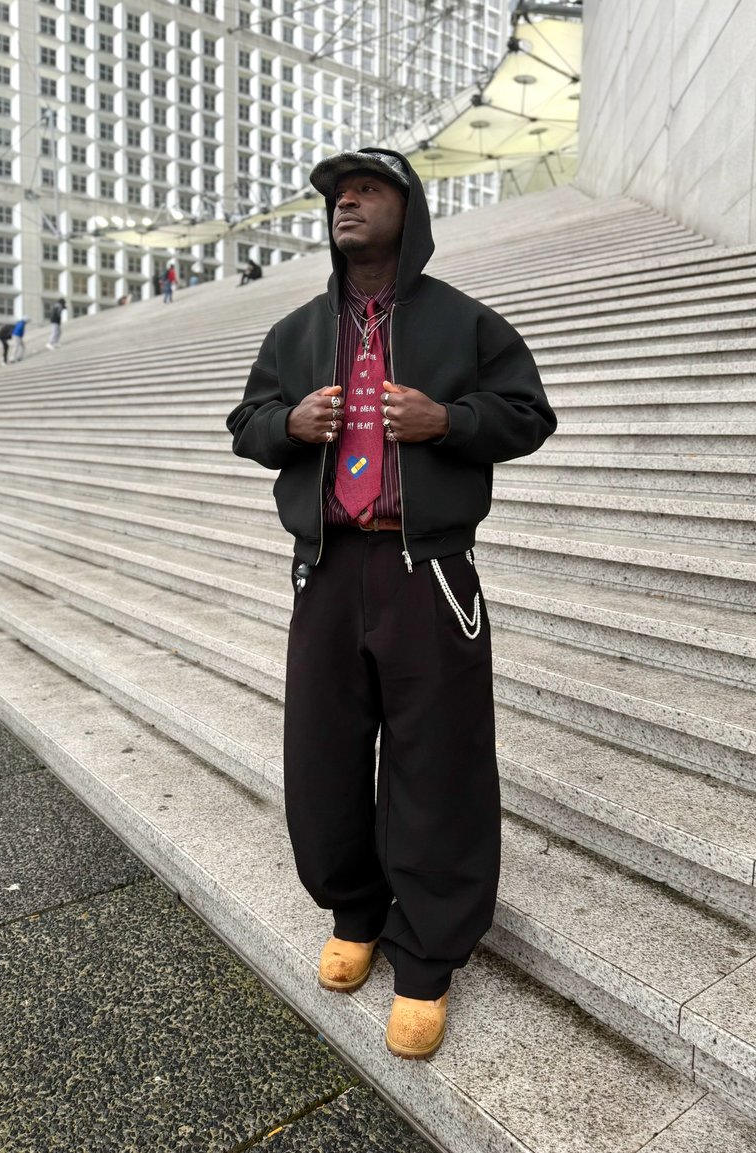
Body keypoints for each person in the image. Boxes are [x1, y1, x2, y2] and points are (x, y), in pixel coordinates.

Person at [226, 148, 556, 1060]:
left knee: (438, 763)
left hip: (430, 574)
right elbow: (246, 422)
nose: (347, 203)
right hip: (327, 570)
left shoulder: (463, 321)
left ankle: (427, 957)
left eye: (366, 190)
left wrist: (446, 421)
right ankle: (356, 910)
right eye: (337, 195)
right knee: (322, 756)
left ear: (410, 210)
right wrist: (287, 426)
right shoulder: (295, 333)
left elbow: (529, 413)